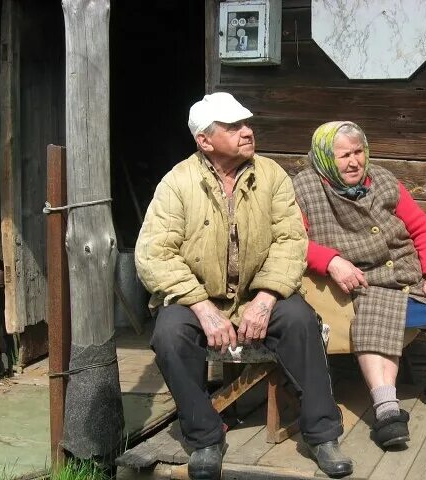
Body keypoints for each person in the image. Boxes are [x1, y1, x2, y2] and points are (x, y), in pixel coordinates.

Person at [135, 94, 352, 479]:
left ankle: (322, 434)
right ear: (204, 140)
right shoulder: (178, 183)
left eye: (247, 124)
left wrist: (266, 299)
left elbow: (291, 240)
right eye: (233, 127)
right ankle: (205, 437)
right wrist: (202, 307)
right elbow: (154, 254)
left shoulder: (271, 175)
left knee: (301, 321)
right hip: (197, 296)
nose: (247, 131)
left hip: (259, 291)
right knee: (169, 333)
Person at [293, 121, 426, 449]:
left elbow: (422, 228)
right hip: (367, 281)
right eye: (344, 155)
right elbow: (294, 241)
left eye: (358, 152)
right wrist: (331, 261)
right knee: (375, 318)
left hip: (408, 275)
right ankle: (386, 410)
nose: (354, 161)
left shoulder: (382, 179)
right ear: (326, 157)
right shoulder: (304, 188)